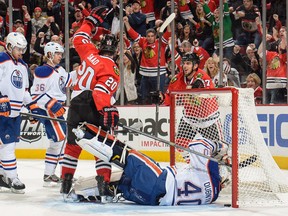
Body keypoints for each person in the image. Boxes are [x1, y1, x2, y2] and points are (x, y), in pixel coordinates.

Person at [64, 123, 231, 205]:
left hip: (159, 180)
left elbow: (197, 145)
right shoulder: (213, 196)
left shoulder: (210, 171)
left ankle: (83, 134)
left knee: (125, 154)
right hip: (149, 199)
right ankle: (76, 194)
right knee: (118, 183)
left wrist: (220, 147)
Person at [60, 5, 120, 197]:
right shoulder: (112, 67)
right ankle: (104, 186)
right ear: (115, 51)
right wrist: (107, 109)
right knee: (101, 147)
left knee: (72, 146)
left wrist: (89, 22)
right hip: (93, 105)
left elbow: (78, 37)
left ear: (101, 46)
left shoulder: (90, 54)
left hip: (75, 104)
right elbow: (100, 92)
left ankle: (65, 184)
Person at [29, 42, 76, 186]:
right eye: (57, 54)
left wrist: (82, 69)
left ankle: (50, 174)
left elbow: (68, 81)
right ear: (49, 54)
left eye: (61, 54)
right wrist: (50, 105)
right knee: (60, 141)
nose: (60, 56)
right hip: (49, 110)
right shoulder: (43, 71)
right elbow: (35, 95)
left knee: (58, 142)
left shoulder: (59, 69)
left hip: (57, 109)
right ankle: (60, 174)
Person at [0, 32, 36, 193]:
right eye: (18, 49)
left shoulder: (23, 66)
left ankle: (2, 175)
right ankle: (13, 177)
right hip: (2, 114)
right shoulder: (1, 61)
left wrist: (32, 107)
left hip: (15, 113)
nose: (21, 52)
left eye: (23, 49)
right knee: (8, 146)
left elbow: (24, 91)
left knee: (7, 145)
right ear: (9, 46)